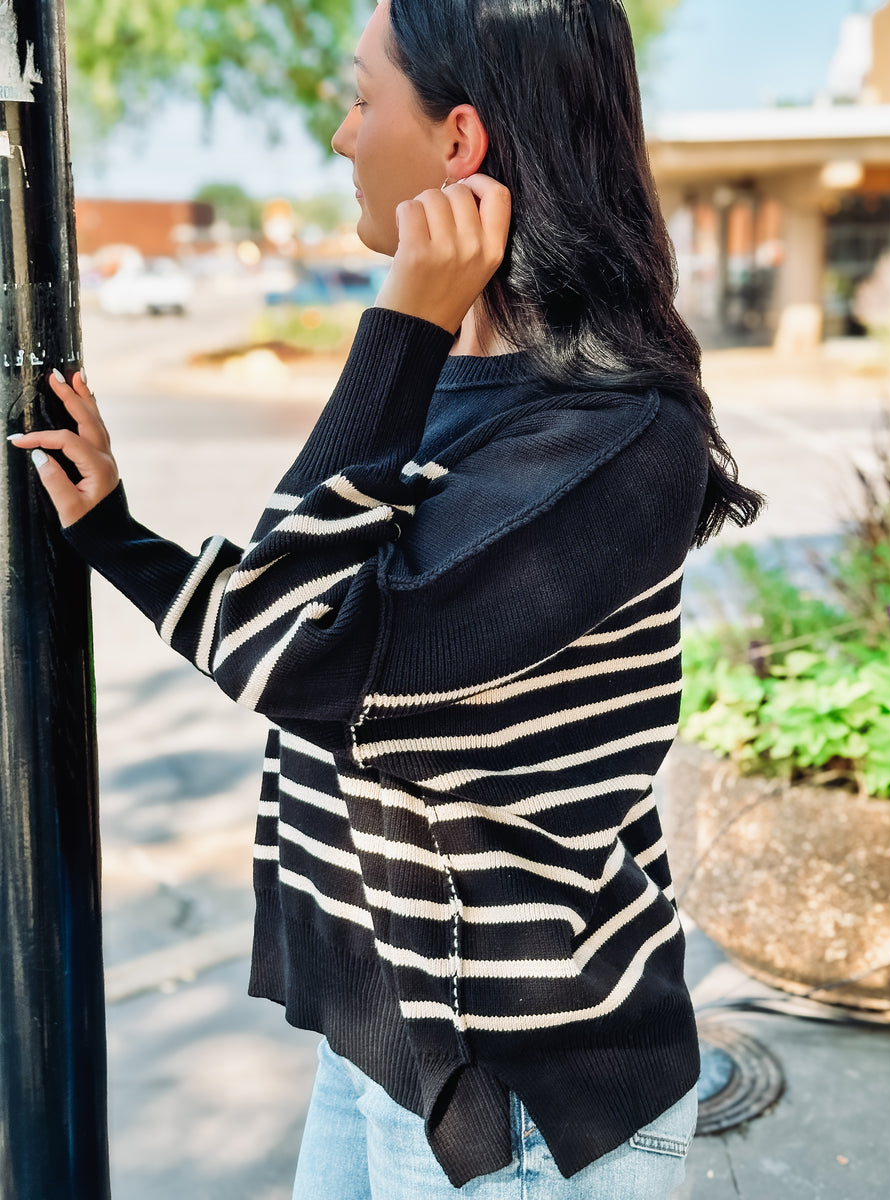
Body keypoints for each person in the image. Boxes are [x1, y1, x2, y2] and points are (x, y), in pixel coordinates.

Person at [9, 0, 762, 1195]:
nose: (338, 135)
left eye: (362, 97)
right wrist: (117, 534)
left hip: (520, 1105)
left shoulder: (611, 438)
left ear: (460, 142)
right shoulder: (461, 391)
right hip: (399, 1052)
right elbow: (306, 630)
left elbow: (297, 654)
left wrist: (402, 325)